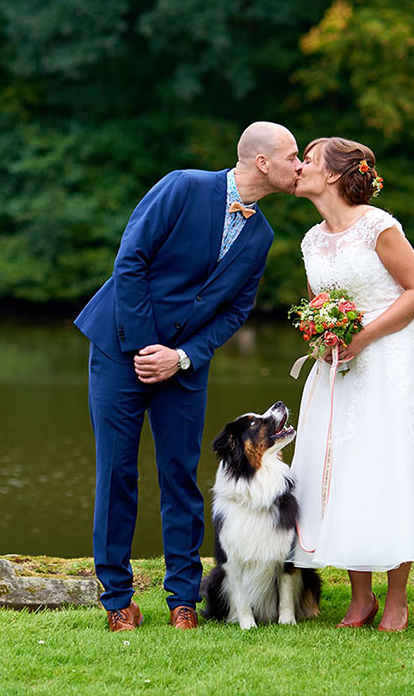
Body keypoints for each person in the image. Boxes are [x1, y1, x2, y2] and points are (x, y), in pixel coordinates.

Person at [75, 121, 302, 632]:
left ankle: (183, 599)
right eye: (293, 156)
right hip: (119, 348)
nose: (300, 165)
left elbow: (235, 311)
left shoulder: (261, 234)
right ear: (263, 162)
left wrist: (180, 356)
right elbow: (130, 260)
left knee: (180, 477)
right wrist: (143, 348)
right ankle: (117, 601)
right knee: (117, 474)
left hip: (184, 365)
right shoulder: (183, 186)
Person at [288, 137, 414, 632]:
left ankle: (397, 599)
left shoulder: (380, 227)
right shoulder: (310, 240)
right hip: (339, 365)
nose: (298, 167)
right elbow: (320, 303)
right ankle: (361, 600)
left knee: (391, 467)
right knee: (346, 471)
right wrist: (325, 334)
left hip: (395, 359)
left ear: (335, 175)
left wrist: (361, 336)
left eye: (309, 160)